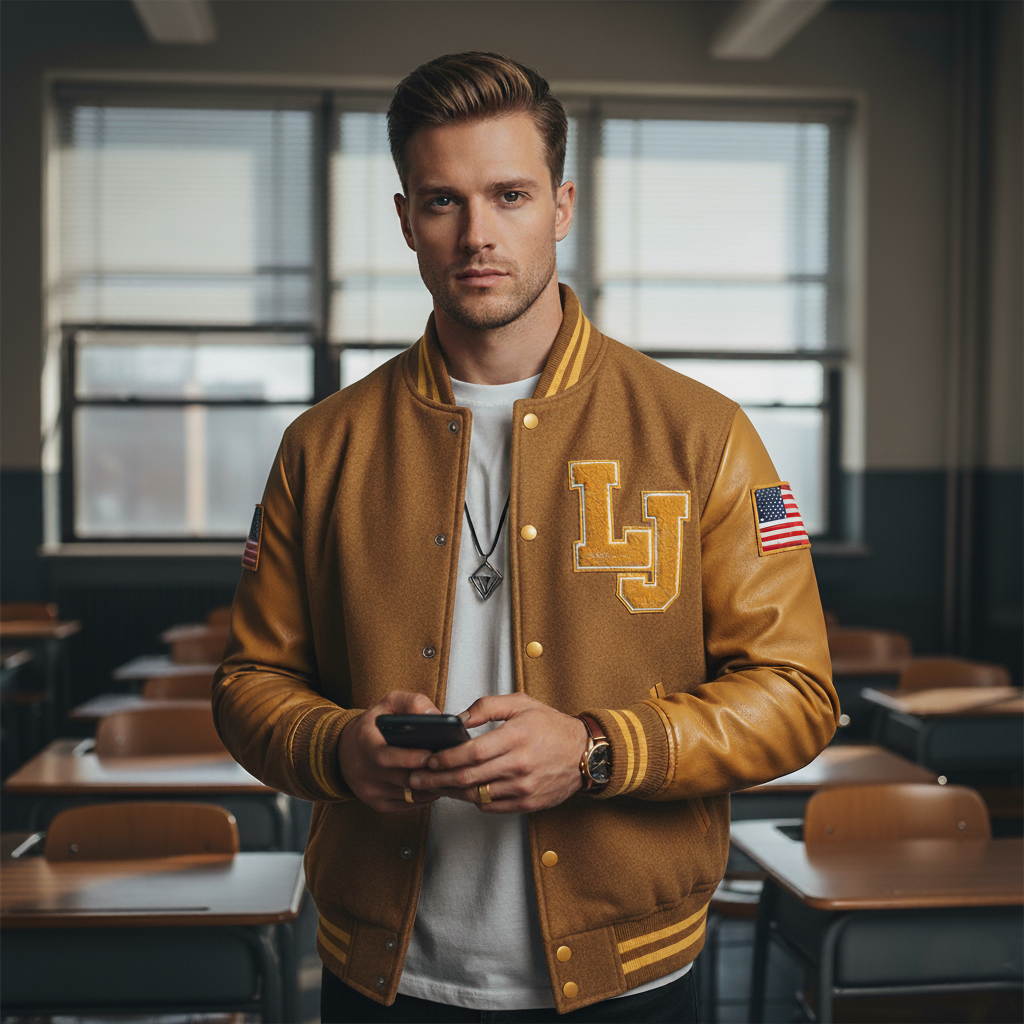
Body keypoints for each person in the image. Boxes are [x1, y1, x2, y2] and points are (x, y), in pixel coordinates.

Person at [213, 51, 838, 1024]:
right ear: (404, 219)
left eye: (508, 194)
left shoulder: (703, 435)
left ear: (561, 205)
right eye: (441, 202)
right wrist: (337, 748)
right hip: (385, 973)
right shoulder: (320, 447)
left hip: (633, 969)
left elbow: (797, 695)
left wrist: (599, 748)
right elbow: (246, 686)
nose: (476, 235)